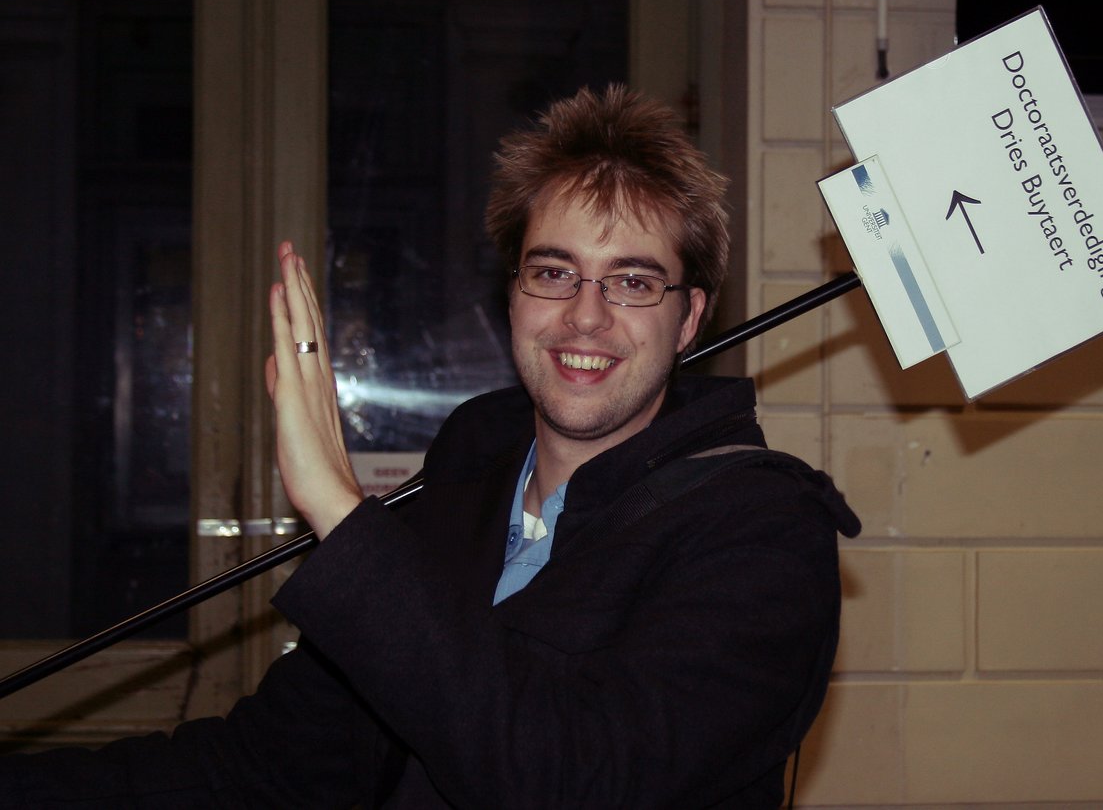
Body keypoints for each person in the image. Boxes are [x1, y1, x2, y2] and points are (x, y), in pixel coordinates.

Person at [1, 85, 859, 808]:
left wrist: (342, 511)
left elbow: (563, 774)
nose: (585, 315)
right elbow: (271, 765)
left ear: (691, 317)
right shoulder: (462, 481)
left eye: (633, 281)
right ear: (514, 294)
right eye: (553, 271)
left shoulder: (763, 533)